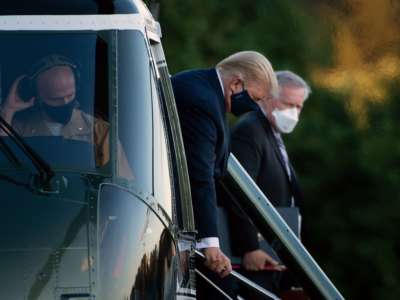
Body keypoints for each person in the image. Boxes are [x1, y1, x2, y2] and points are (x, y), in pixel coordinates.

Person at [171, 51, 278, 298]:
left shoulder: (206, 92)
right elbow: (200, 175)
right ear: (236, 84)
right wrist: (209, 244)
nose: (252, 109)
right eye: (254, 99)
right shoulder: (203, 102)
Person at [229, 70, 311, 297]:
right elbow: (239, 191)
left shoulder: (271, 133)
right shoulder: (250, 131)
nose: (293, 112)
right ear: (267, 97)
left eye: (299, 106)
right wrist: (249, 247)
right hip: (256, 255)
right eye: (287, 104)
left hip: (275, 255)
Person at [0, 55, 131, 177]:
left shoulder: (100, 132)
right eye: (55, 99)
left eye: (70, 95)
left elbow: (123, 185)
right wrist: (8, 110)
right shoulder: (16, 128)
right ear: (38, 96)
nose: (65, 103)